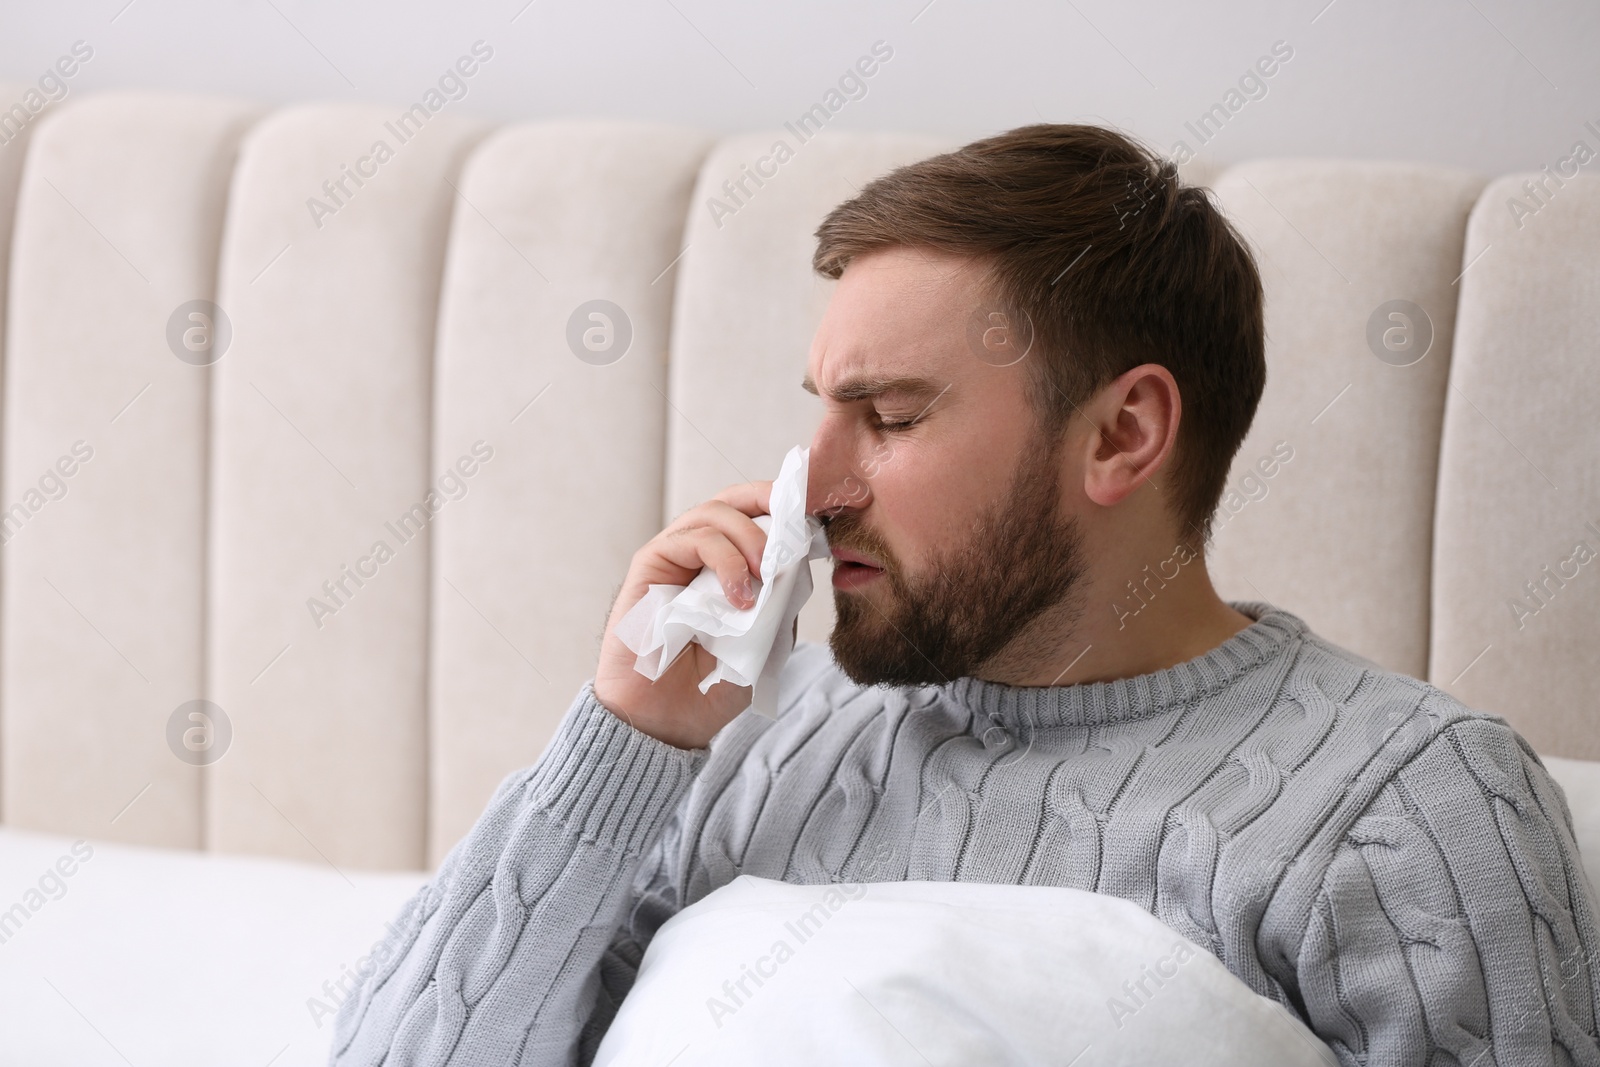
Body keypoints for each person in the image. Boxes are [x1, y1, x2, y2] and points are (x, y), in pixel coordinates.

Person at [329, 124, 1600, 1066]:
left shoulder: (1408, 806)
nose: (808, 488)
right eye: (815, 412)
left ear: (1122, 436)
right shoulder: (764, 741)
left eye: (887, 416)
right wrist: (628, 738)